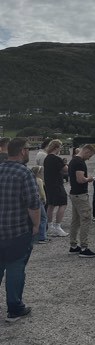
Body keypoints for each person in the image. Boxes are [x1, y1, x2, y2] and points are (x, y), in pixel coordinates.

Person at [0, 138, 40, 322]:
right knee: (15, 268)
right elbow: (33, 203)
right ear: (23, 151)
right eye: (28, 149)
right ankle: (14, 308)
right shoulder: (24, 173)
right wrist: (36, 225)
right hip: (17, 231)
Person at [68, 144, 95, 257]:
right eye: (90, 156)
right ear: (87, 151)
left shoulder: (73, 160)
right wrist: (89, 179)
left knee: (75, 220)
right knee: (86, 219)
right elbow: (80, 179)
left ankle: (73, 246)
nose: (89, 158)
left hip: (74, 194)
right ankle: (84, 248)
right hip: (80, 195)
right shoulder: (79, 162)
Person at [43, 139, 69, 237]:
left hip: (49, 184)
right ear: (56, 148)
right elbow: (66, 169)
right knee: (63, 203)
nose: (60, 149)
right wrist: (65, 164)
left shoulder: (47, 158)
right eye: (60, 147)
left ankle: (49, 226)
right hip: (57, 184)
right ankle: (58, 227)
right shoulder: (56, 158)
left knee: (51, 204)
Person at [31, 166, 49, 244]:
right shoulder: (39, 180)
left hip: (33, 201)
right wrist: (44, 199)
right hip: (39, 201)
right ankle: (42, 237)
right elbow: (42, 192)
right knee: (43, 218)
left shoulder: (32, 179)